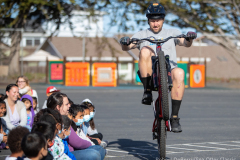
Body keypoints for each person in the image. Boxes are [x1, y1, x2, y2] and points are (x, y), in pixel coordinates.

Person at [120, 3, 197, 133]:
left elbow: (185, 43)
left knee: (179, 72)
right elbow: (128, 47)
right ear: (148, 21)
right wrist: (125, 42)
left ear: (163, 20)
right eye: (152, 21)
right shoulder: (141, 34)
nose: (155, 24)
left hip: (169, 72)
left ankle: (174, 118)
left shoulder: (172, 32)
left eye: (158, 21)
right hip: (151, 75)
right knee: (144, 50)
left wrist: (189, 38)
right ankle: (147, 91)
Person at [47, 92, 106, 160]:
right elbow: (76, 142)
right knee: (94, 154)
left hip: (70, 152)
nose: (69, 106)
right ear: (58, 107)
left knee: (99, 149)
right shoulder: (54, 120)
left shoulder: (64, 118)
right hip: (65, 154)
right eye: (67, 104)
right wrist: (91, 143)